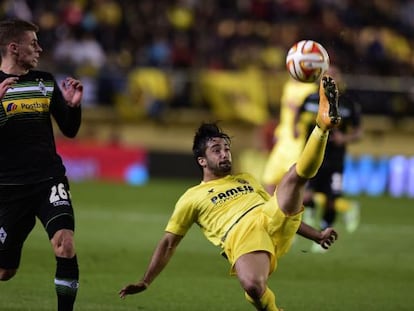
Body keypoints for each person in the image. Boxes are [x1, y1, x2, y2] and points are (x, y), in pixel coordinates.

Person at [119, 75, 341, 311]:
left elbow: (282, 209)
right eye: (217, 150)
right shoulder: (192, 197)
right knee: (253, 286)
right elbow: (168, 243)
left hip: (270, 215)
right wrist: (145, 280)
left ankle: (322, 126)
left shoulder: (246, 179)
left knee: (295, 177)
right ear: (202, 161)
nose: (225, 154)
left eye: (226, 149)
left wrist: (316, 235)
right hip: (241, 234)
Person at [0, 19, 83, 311]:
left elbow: (69, 130)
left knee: (65, 244)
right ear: (13, 47)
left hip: (49, 179)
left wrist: (73, 107)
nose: (40, 48)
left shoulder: (45, 81)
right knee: (5, 271)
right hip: (9, 189)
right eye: (33, 43)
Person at [300, 66, 363, 237]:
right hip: (313, 157)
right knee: (306, 196)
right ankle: (311, 216)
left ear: (341, 79)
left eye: (335, 75)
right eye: (328, 75)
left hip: (335, 160)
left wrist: (344, 138)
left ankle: (324, 229)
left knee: (331, 200)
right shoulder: (310, 99)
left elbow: (358, 132)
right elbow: (298, 118)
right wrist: (295, 129)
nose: (331, 79)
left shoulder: (349, 104)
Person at [261, 77, 318, 194]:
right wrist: (279, 130)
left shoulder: (311, 89)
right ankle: (274, 210)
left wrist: (295, 126)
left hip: (297, 138)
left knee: (293, 180)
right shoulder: (288, 86)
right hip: (283, 138)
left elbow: (307, 113)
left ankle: (296, 209)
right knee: (269, 179)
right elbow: (285, 113)